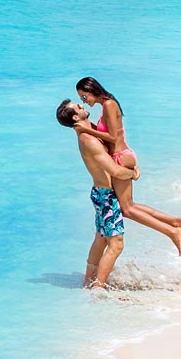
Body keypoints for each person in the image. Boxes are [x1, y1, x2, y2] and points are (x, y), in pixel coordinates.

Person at [75, 76, 181, 250]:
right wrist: (83, 127)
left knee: (127, 209)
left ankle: (171, 231)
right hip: (121, 156)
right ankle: (175, 222)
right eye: (81, 100)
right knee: (129, 206)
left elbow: (113, 137)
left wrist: (84, 129)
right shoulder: (106, 105)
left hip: (121, 156)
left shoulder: (109, 104)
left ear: (92, 89)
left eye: (85, 97)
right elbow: (103, 131)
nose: (84, 102)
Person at [55, 98, 136, 288]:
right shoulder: (88, 139)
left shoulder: (87, 131)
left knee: (101, 239)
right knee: (116, 244)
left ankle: (87, 282)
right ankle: (98, 287)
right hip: (106, 196)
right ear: (76, 116)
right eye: (79, 106)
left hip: (100, 193)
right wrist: (133, 173)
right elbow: (115, 171)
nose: (83, 106)